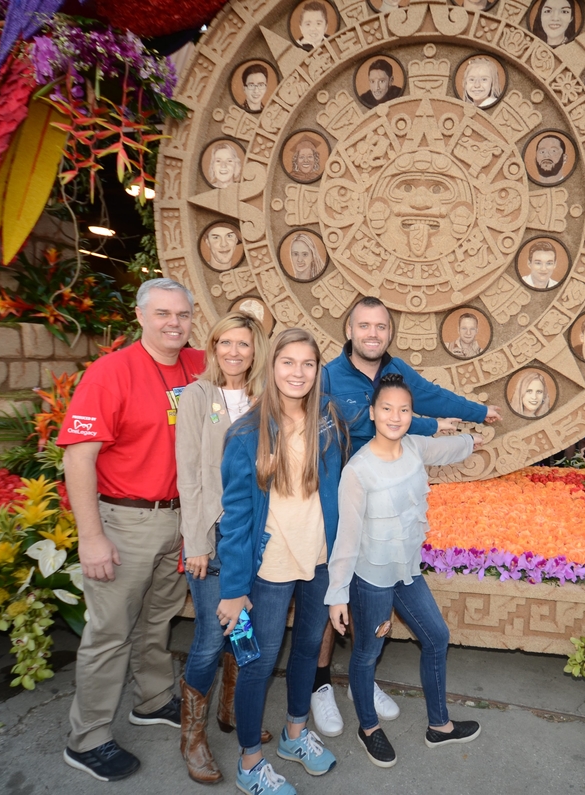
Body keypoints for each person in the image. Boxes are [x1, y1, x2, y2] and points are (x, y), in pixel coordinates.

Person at [314, 296, 501, 735]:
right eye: (364, 325)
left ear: (389, 332)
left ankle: (366, 683)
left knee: (376, 620)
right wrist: (428, 425)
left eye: (380, 326)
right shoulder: (327, 377)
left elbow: (426, 400)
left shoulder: (396, 373)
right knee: (330, 593)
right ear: (350, 330)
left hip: (388, 513)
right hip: (341, 496)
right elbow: (367, 423)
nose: (372, 333)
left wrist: (475, 419)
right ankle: (320, 685)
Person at [59, 278, 205, 782]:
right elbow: (78, 458)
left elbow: (250, 361)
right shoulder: (110, 373)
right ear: (140, 317)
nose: (174, 323)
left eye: (183, 315)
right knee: (110, 632)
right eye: (163, 313)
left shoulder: (196, 364)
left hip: (179, 521)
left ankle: (153, 698)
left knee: (157, 620)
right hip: (126, 519)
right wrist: (91, 535)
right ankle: (89, 737)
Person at [326, 374, 484, 768]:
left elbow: (446, 449)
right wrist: (338, 595)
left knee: (436, 636)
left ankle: (439, 726)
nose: (395, 417)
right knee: (367, 653)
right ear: (373, 413)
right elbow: (346, 538)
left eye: (404, 410)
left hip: (407, 573)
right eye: (387, 408)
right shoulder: (358, 470)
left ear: (412, 415)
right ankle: (368, 728)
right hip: (372, 579)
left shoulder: (414, 446)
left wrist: (472, 440)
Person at [216, 328, 346, 795]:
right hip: (269, 568)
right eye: (288, 362)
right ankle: (250, 763)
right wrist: (233, 588)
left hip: (319, 561)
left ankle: (295, 735)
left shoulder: (328, 420)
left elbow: (337, 497)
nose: (298, 372)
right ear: (271, 367)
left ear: (317, 370)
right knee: (258, 662)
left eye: (307, 364)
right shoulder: (246, 433)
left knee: (308, 652)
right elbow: (234, 519)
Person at [175, 312, 269, 784]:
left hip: (253, 537)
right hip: (210, 539)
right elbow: (188, 472)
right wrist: (195, 541)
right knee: (211, 637)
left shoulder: (264, 397)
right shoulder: (197, 396)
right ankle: (192, 737)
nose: (234, 351)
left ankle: (233, 712)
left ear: (257, 351)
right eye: (224, 342)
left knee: (244, 627)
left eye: (243, 344)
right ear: (213, 347)